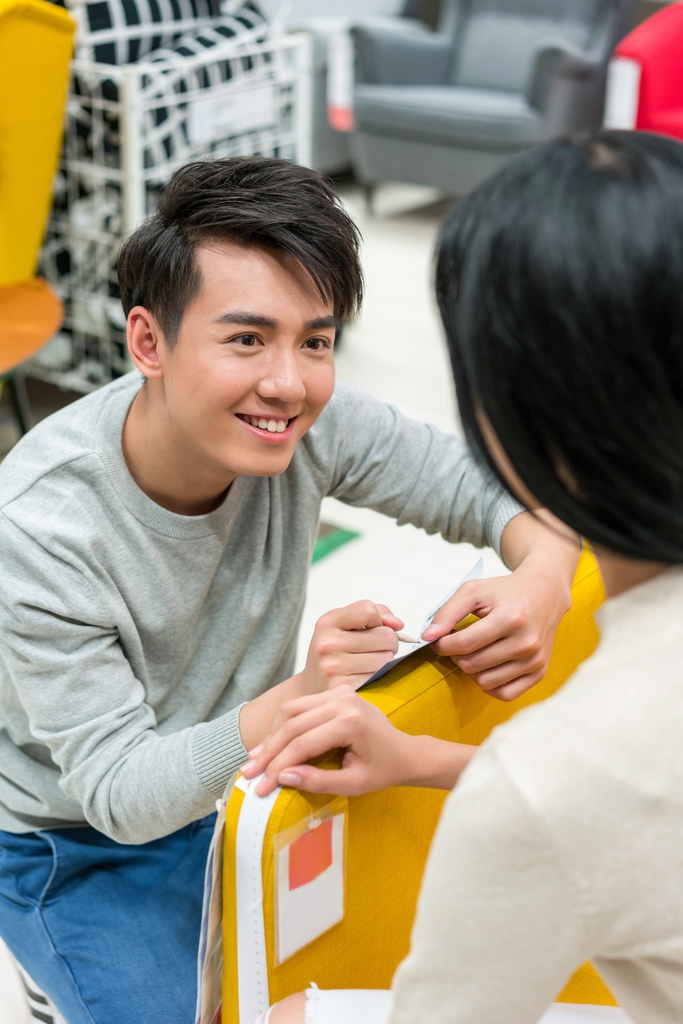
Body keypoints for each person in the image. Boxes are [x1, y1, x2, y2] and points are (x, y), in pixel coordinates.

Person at [0, 157, 578, 1024]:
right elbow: (118, 795)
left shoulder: (311, 423)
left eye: (315, 339)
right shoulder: (43, 528)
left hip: (245, 783)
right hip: (73, 839)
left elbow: (494, 491)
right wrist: (299, 697)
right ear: (147, 342)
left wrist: (543, 579)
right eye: (246, 339)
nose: (290, 384)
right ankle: (53, 964)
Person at [248, 130, 683, 1024]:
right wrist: (425, 760)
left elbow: (587, 794)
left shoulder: (555, 778)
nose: (288, 385)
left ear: (512, 411)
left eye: (320, 341)